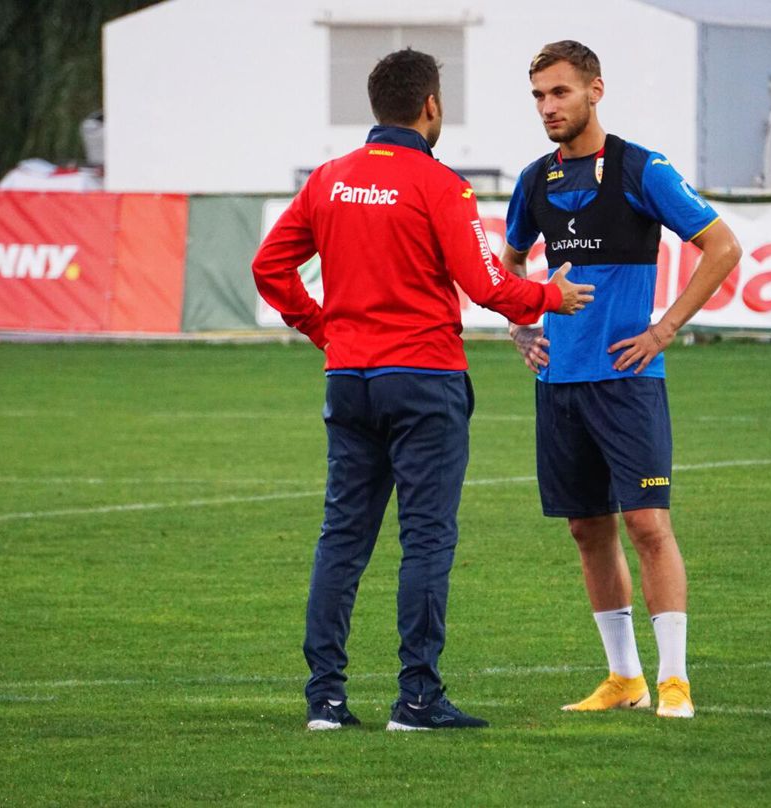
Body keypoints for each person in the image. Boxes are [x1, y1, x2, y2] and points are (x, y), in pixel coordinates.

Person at [252, 48, 593, 732]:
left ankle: (325, 700)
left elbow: (270, 268)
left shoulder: (329, 181)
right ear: (430, 106)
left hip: (350, 379)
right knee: (427, 540)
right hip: (424, 380)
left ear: (377, 108)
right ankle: (416, 699)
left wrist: (326, 331)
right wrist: (549, 295)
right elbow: (487, 283)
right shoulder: (441, 186)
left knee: (342, 539)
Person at [500, 41, 743, 719]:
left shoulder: (641, 168)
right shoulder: (534, 180)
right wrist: (522, 326)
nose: (548, 107)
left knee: (647, 524)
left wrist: (665, 329)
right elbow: (512, 261)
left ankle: (674, 681)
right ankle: (623, 677)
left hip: (628, 378)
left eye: (560, 93)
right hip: (560, 384)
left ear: (595, 91)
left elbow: (722, 247)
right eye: (539, 96)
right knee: (587, 530)